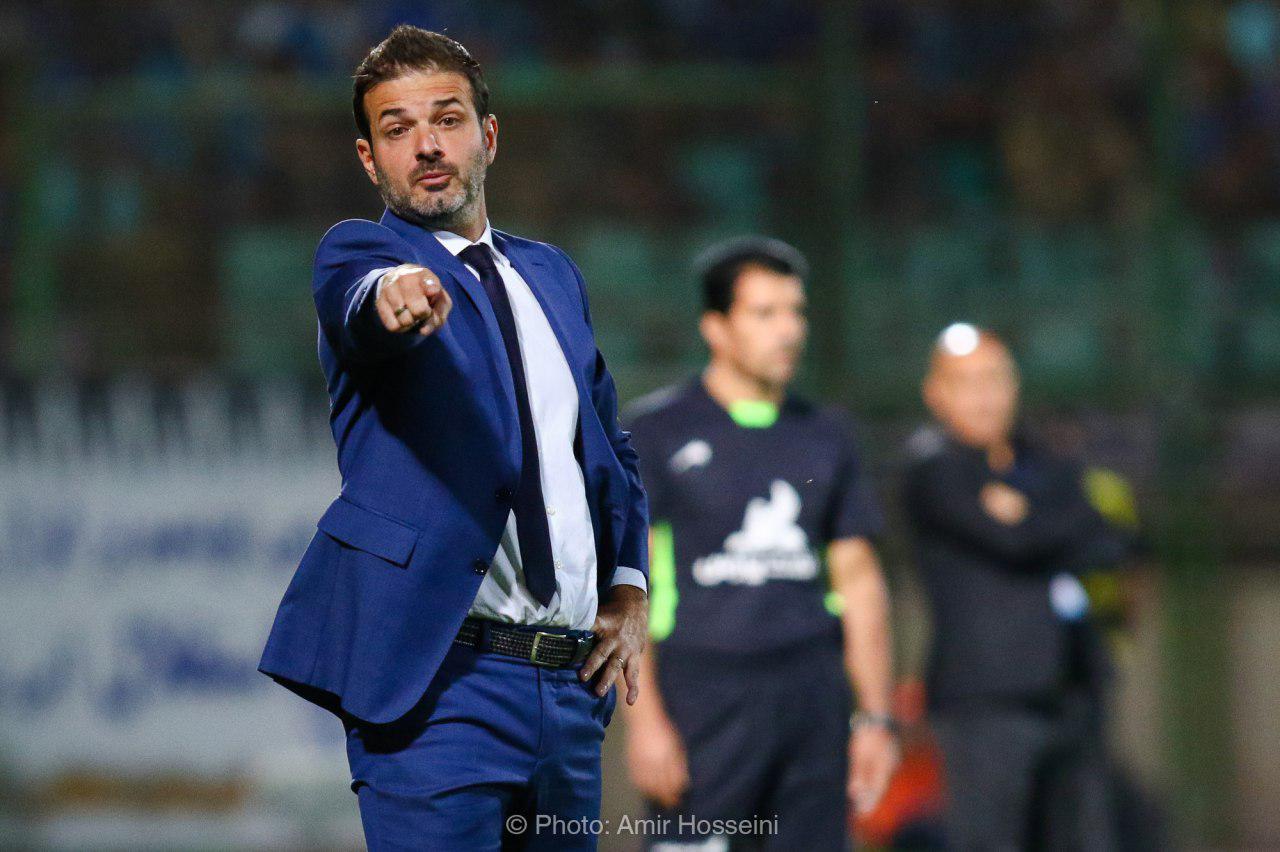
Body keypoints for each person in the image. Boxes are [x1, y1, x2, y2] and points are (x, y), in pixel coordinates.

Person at [257, 26, 649, 850]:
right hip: (441, 687)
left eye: (447, 119)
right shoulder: (358, 253)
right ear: (369, 160)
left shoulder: (552, 275)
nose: (427, 145)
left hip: (569, 690)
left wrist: (628, 584)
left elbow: (608, 446)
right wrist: (395, 295)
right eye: (397, 129)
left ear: (488, 135)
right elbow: (362, 300)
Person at [622, 238, 899, 850]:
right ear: (716, 327)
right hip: (703, 698)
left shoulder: (827, 434)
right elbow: (627, 585)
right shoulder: (656, 432)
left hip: (812, 698)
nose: (789, 330)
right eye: (765, 313)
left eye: (796, 311)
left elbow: (859, 580)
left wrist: (876, 717)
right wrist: (644, 723)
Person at [904, 323, 1129, 851]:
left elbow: (1107, 537)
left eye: (994, 379)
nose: (984, 396)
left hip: (1074, 690)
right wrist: (1047, 524)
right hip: (987, 702)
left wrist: (1030, 517)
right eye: (966, 382)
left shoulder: (1044, 458)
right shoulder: (934, 469)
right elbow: (1015, 541)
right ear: (936, 393)